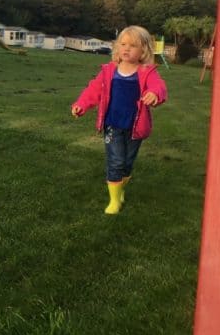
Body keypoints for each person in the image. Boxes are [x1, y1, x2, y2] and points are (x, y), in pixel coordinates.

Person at [71, 25, 167, 215]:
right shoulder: (109, 71)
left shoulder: (147, 72)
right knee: (115, 162)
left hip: (135, 127)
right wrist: (81, 104)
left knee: (127, 164)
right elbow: (93, 90)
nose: (126, 48)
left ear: (143, 50)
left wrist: (155, 94)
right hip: (112, 125)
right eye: (123, 44)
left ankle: (120, 189)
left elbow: (159, 86)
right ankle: (114, 201)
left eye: (132, 45)